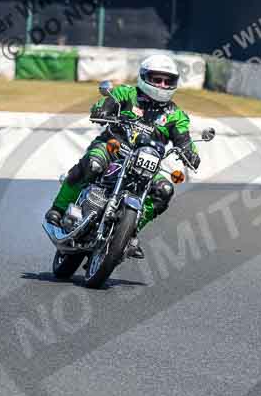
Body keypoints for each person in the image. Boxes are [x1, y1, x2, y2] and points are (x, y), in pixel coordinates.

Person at [45, 54, 201, 259]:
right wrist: (101, 110)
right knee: (93, 163)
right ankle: (59, 208)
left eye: (168, 81)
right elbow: (106, 104)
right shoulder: (126, 94)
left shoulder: (175, 115)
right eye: (157, 79)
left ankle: (129, 233)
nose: (162, 84)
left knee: (165, 189)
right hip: (113, 148)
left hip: (146, 163)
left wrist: (191, 152)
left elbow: (184, 139)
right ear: (144, 77)